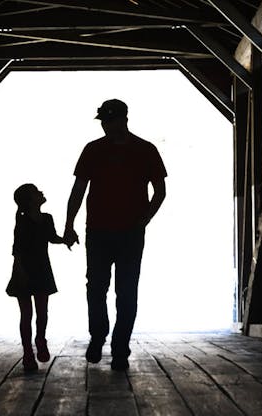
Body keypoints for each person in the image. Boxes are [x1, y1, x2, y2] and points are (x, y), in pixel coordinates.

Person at [63, 98, 167, 371]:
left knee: (117, 290)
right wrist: (69, 224)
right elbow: (78, 190)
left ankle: (117, 345)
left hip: (121, 232)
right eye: (104, 121)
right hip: (103, 231)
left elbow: (161, 192)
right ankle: (102, 338)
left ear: (123, 119)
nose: (107, 126)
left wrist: (143, 220)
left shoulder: (141, 150)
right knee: (104, 288)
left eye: (110, 120)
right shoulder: (125, 149)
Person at [6, 183, 66, 371]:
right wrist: (20, 272)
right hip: (25, 270)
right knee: (28, 315)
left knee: (41, 312)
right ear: (30, 200)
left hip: (40, 269)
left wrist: (66, 239)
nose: (41, 192)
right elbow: (17, 250)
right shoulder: (22, 221)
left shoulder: (47, 218)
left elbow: (52, 237)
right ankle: (28, 352)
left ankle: (40, 340)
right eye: (36, 192)